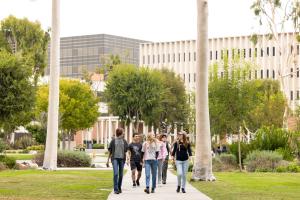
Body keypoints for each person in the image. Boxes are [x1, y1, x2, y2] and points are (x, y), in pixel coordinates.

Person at [107, 128, 128, 194]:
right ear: (120, 133)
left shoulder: (124, 141)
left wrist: (127, 159)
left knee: (121, 175)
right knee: (116, 173)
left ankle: (119, 187)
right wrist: (107, 160)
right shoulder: (113, 141)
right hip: (114, 159)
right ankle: (115, 189)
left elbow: (126, 151)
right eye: (123, 132)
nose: (124, 133)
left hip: (122, 159)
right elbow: (110, 151)